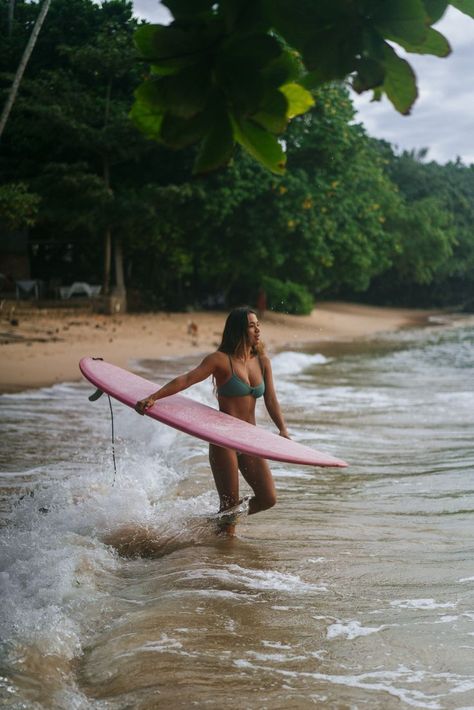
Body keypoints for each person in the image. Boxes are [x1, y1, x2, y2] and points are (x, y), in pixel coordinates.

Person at [135, 306, 289, 530]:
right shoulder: (219, 360)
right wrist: (153, 397)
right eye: (251, 325)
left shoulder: (262, 362)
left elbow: (271, 400)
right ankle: (223, 533)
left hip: (249, 439)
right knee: (229, 518)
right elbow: (187, 379)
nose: (257, 330)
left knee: (268, 498)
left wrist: (282, 429)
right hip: (223, 439)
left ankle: (208, 524)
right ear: (238, 330)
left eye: (258, 325)